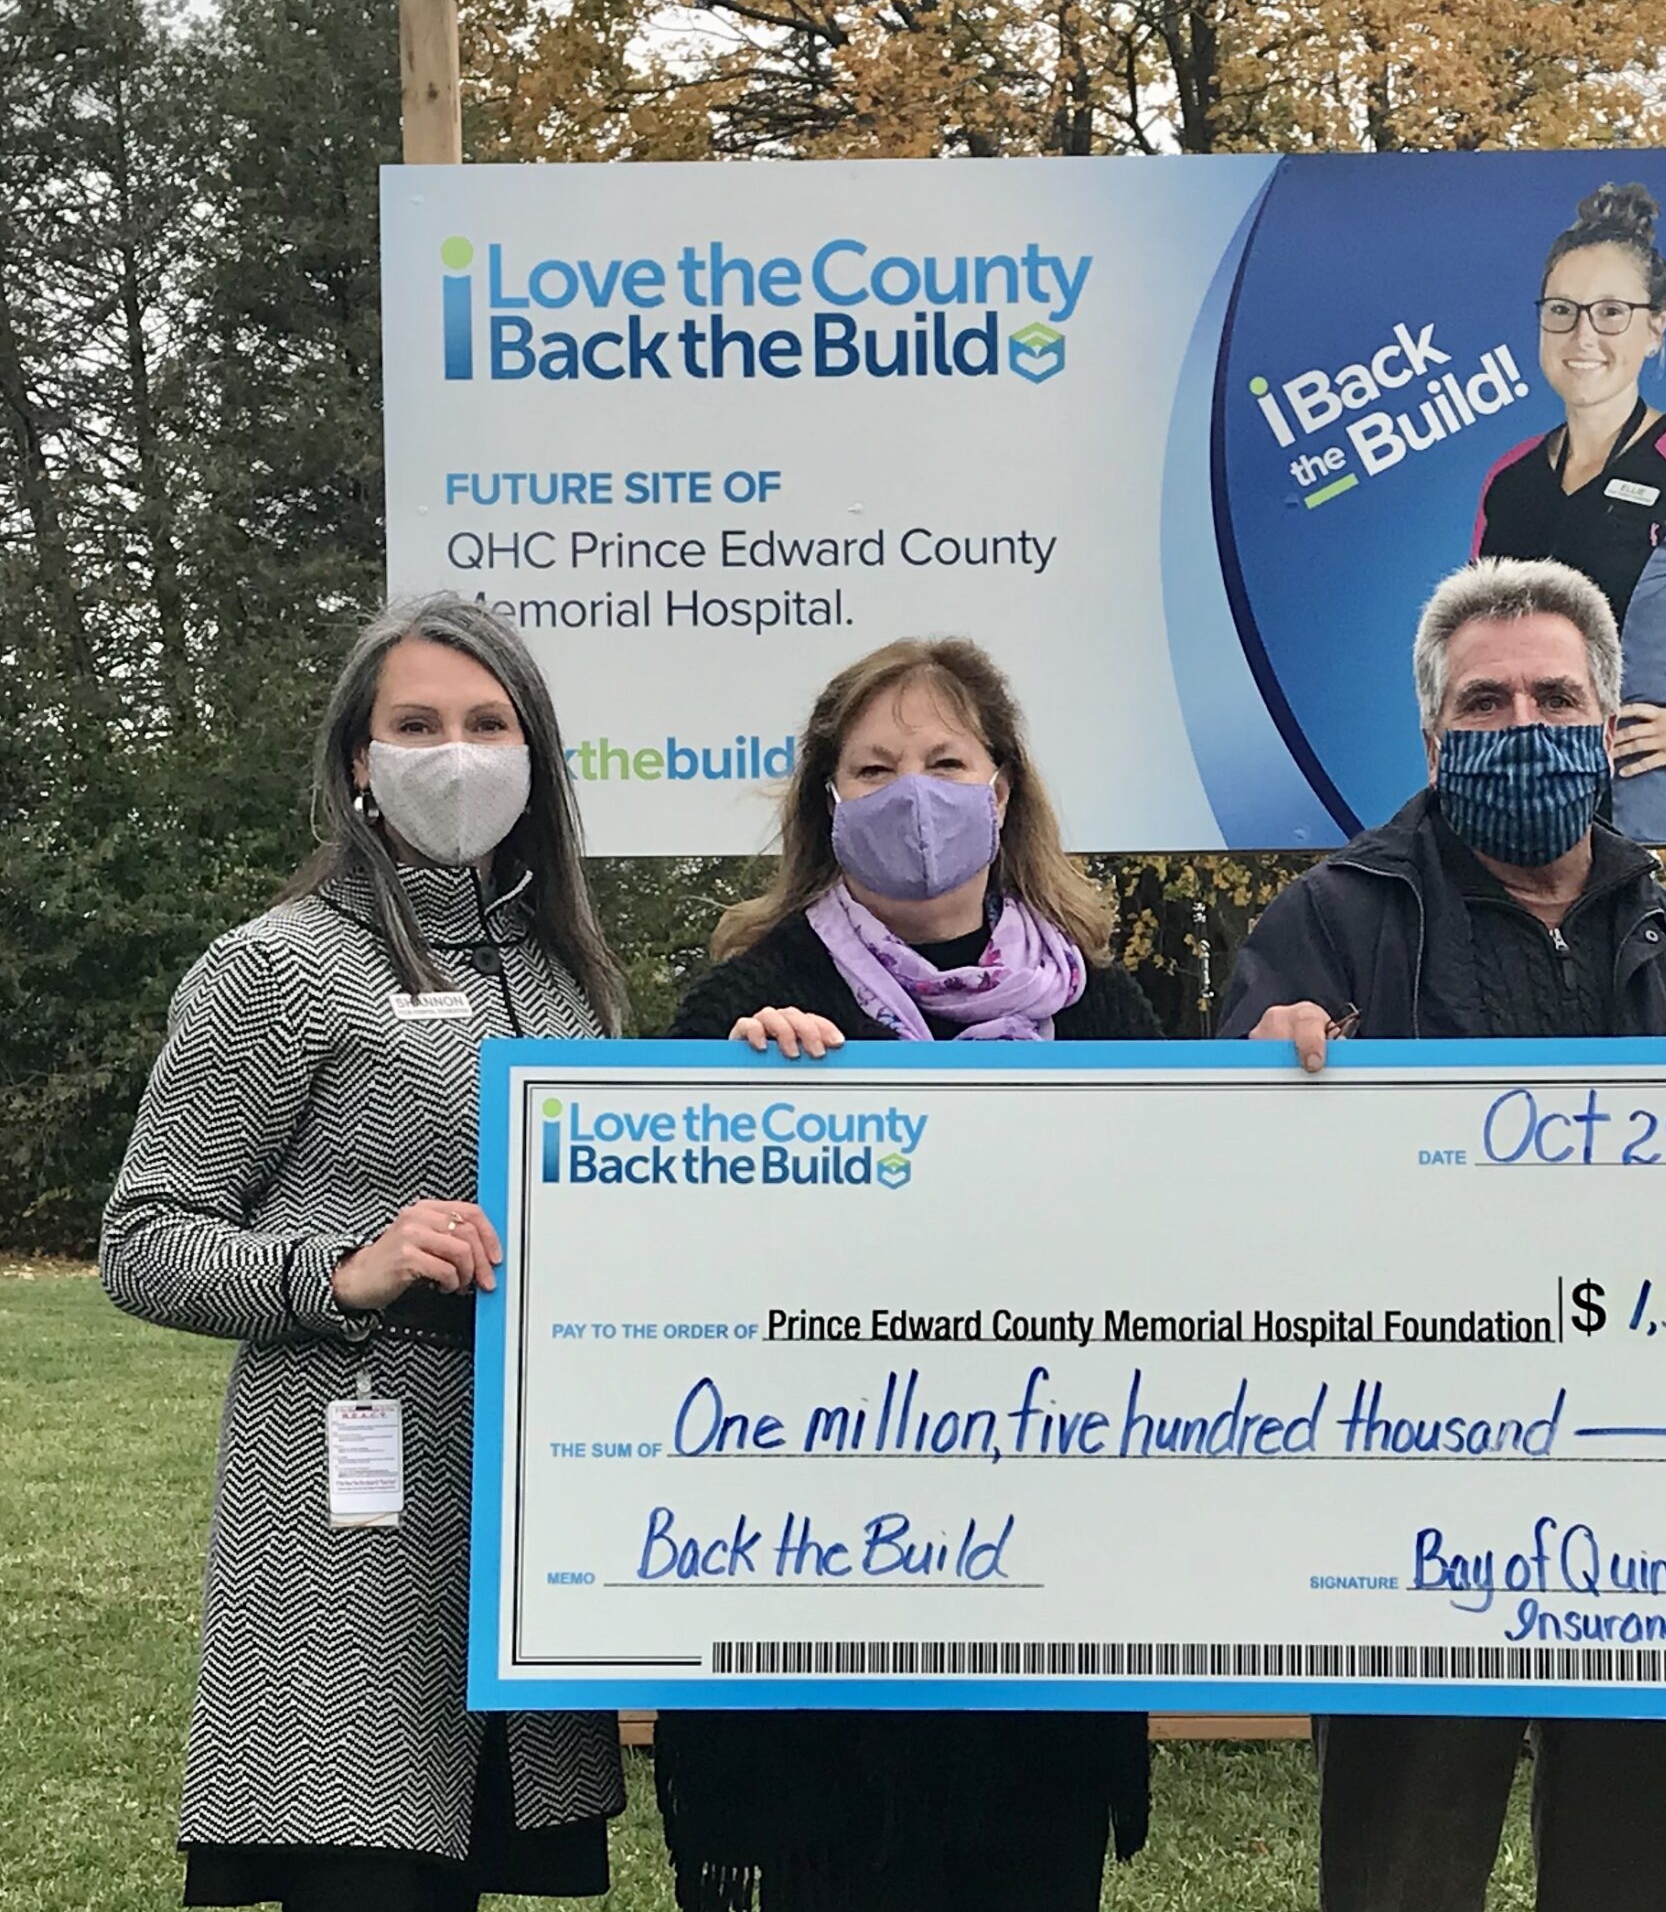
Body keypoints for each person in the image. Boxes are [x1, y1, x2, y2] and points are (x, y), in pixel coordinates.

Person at [1218, 556, 1666, 1912]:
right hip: (1408, 1497)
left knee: (1640, 1868)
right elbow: (1222, 1205)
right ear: (1434, 738)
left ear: (1608, 714)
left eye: (1556, 694)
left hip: (1638, 1490)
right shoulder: (1326, 921)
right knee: (1400, 1872)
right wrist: (1253, 1080)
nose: (1523, 723)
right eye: (1485, 701)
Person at [100, 596, 629, 1912]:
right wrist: (338, 1269)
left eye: (487, 722)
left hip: (516, 1508)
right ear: (358, 759)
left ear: (534, 753)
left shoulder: (570, 974)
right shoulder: (275, 967)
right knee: (365, 1874)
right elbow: (144, 1238)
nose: (455, 752)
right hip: (349, 1519)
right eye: (417, 723)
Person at [651, 636, 1159, 1912]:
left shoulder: (1108, 1014)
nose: (912, 794)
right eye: (873, 769)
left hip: (1040, 1621)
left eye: (943, 760)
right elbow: (667, 1290)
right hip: (808, 1632)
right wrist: (730, 1104)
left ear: (1001, 789)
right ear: (828, 804)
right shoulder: (743, 1008)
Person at [1472, 182, 1666, 845]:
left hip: (1647, 821)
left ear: (1656, 324)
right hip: (1517, 811)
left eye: (1611, 311)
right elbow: (1476, 652)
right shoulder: (1510, 480)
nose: (1583, 335)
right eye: (1562, 310)